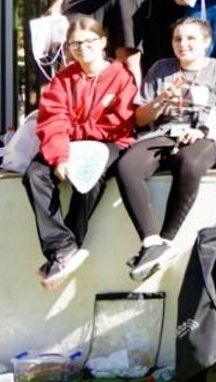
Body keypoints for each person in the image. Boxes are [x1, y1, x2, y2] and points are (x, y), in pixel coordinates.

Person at [116, 18, 216, 280]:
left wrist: (204, 132)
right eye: (177, 39)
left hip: (203, 135)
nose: (183, 44)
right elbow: (140, 118)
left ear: (206, 42)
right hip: (163, 133)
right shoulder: (160, 69)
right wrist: (160, 100)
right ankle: (152, 242)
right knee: (127, 166)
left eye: (190, 39)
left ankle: (166, 239)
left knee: (190, 164)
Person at [25, 15, 137, 289]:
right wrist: (60, 156)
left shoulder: (122, 76)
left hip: (109, 143)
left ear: (103, 41)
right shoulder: (62, 80)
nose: (81, 49)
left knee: (89, 177)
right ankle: (61, 247)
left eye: (88, 42)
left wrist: (80, 136)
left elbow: (118, 123)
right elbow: (52, 121)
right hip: (69, 143)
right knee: (34, 174)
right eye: (74, 44)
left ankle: (70, 247)